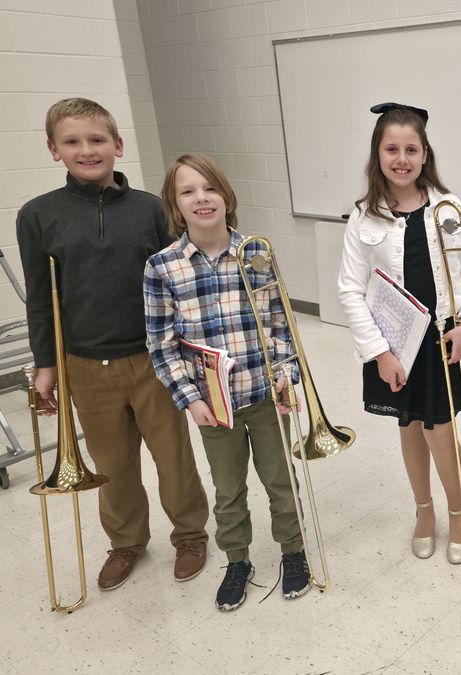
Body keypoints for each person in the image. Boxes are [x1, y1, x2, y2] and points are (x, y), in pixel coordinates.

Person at [16, 98, 209, 591]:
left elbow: (178, 287)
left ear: (117, 146)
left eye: (97, 140)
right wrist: (45, 365)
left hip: (153, 360)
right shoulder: (37, 216)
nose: (87, 150)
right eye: (72, 141)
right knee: (111, 464)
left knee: (173, 457)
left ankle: (189, 534)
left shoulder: (151, 210)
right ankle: (126, 543)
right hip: (85, 364)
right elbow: (41, 298)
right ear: (53, 149)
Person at [144, 153, 309, 611]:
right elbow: (161, 345)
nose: (201, 198)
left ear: (225, 195)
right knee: (228, 488)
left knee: (281, 479)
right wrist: (188, 398)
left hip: (263, 393)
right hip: (212, 404)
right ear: (175, 206)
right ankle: (237, 559)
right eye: (188, 191)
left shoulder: (256, 253)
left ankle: (293, 552)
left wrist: (285, 374)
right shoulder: (162, 267)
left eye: (209, 188)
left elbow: (280, 324)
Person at [338, 103, 461, 565]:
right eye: (391, 149)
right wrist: (380, 353)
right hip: (395, 345)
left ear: (425, 155)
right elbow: (350, 289)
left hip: (444, 338)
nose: (401, 158)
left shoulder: (448, 206)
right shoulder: (364, 215)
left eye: (411, 149)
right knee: (409, 426)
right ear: (377, 155)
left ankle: (457, 513)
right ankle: (424, 511)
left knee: (440, 429)